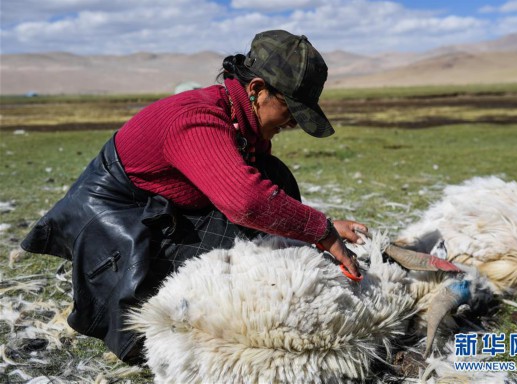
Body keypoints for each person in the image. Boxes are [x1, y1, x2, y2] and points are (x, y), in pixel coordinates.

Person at [21, 29, 368, 364]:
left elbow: (258, 193)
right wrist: (321, 230)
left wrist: (319, 227)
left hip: (162, 216)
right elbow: (245, 201)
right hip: (118, 240)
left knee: (271, 177)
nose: (292, 123)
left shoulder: (237, 119)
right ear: (258, 90)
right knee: (203, 321)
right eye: (291, 110)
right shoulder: (195, 118)